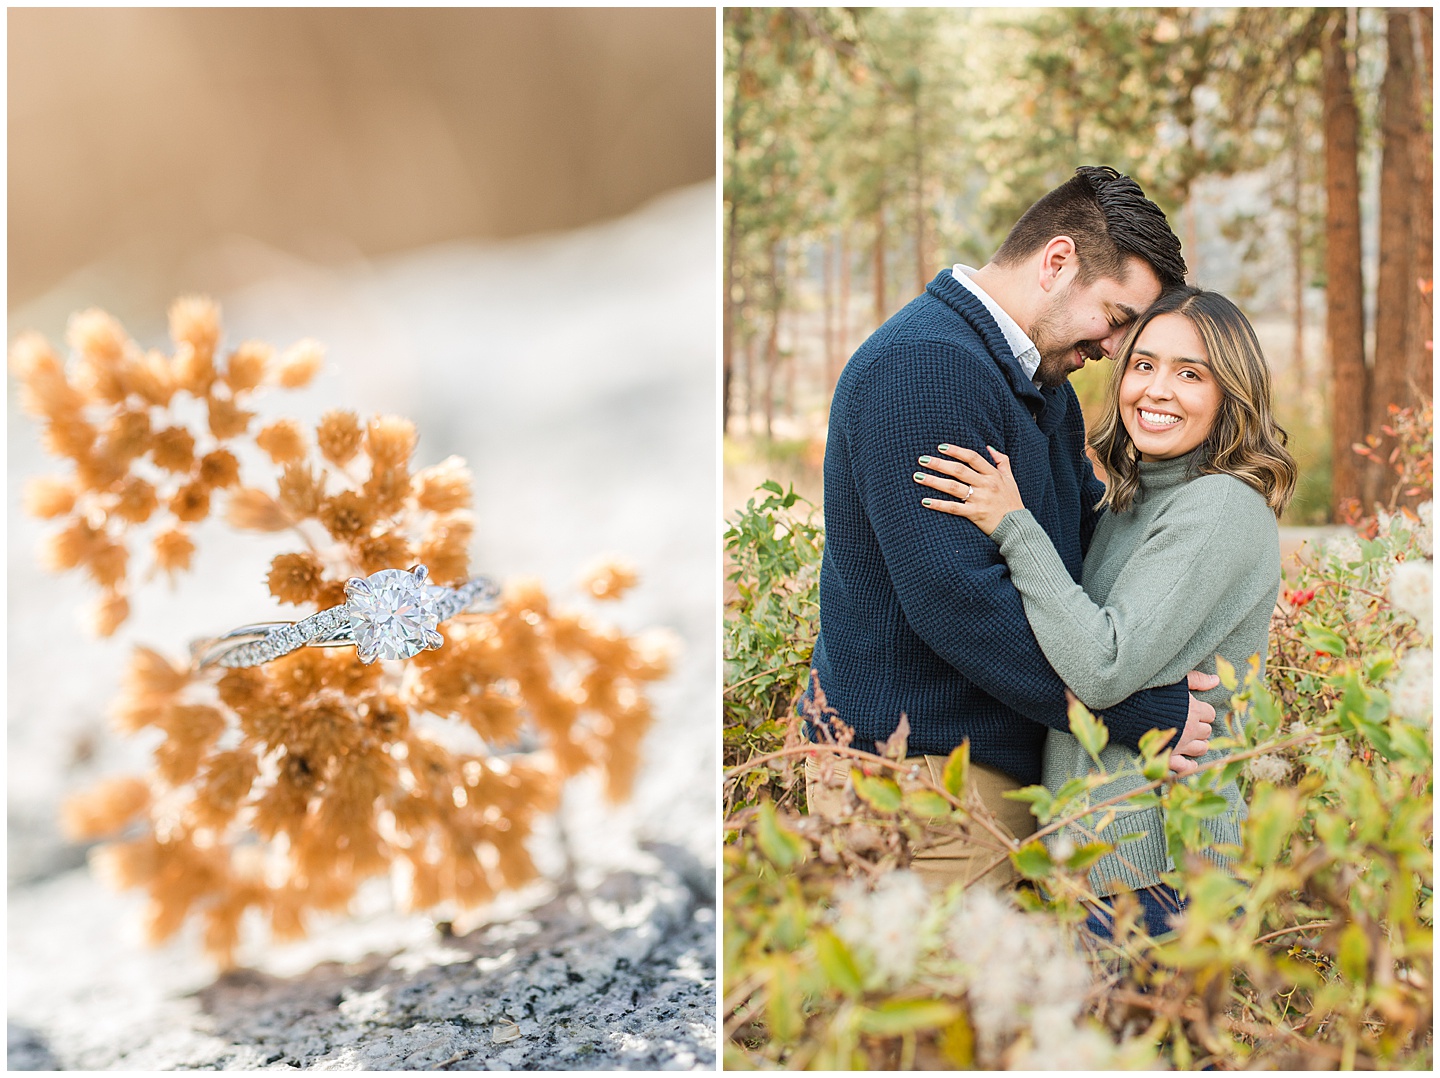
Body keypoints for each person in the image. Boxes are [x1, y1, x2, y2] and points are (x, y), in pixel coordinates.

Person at [802, 165, 1217, 890]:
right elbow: (959, 604)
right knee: (943, 1000)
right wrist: (1147, 713)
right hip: (924, 779)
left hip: (979, 771)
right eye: (1117, 317)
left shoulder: (1029, 381)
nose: (1115, 348)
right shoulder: (925, 368)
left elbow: (1087, 542)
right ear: (1057, 262)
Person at [913, 286, 1297, 936]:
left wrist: (1014, 525)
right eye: (1144, 364)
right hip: (1097, 859)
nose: (1156, 389)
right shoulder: (1135, 501)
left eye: (1190, 374)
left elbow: (1102, 663)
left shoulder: (1220, 507)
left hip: (1157, 870)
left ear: (1231, 394)